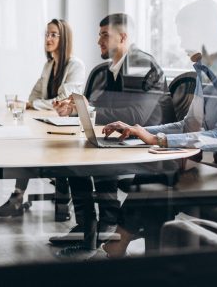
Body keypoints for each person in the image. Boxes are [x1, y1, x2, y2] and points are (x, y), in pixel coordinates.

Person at [96, 0, 217, 259]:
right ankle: (130, 252)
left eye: (185, 35)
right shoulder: (206, 73)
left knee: (160, 187)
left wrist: (159, 139)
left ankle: (121, 248)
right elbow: (188, 124)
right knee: (151, 178)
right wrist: (139, 130)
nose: (181, 43)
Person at [50, 13, 168, 256]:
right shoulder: (106, 70)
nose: (98, 41)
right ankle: (88, 226)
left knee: (79, 157)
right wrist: (72, 108)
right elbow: (96, 108)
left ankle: (105, 225)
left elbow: (137, 116)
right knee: (70, 154)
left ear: (123, 37)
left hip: (147, 141)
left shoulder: (140, 63)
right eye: (99, 34)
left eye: (105, 35)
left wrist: (90, 110)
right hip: (120, 138)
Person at [0, 18, 85, 217]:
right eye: (46, 34)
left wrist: (35, 104)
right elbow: (34, 95)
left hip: (67, 127)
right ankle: (17, 199)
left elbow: (61, 101)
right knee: (26, 144)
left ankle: (61, 200)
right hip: (48, 122)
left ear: (64, 38)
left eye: (53, 34)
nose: (47, 38)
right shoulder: (49, 65)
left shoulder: (76, 65)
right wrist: (35, 103)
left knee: (36, 146)